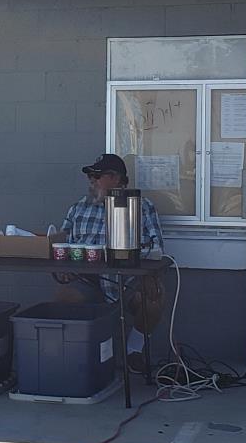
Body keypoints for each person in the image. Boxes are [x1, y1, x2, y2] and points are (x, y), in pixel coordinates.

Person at [58, 152, 165, 370]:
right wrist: (63, 265)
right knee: (65, 297)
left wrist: (148, 273)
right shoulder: (79, 207)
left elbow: (157, 248)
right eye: (90, 176)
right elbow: (62, 241)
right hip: (89, 279)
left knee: (154, 298)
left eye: (97, 176)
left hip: (129, 279)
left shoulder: (142, 206)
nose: (92, 180)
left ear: (116, 179)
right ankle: (79, 353)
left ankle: (134, 350)